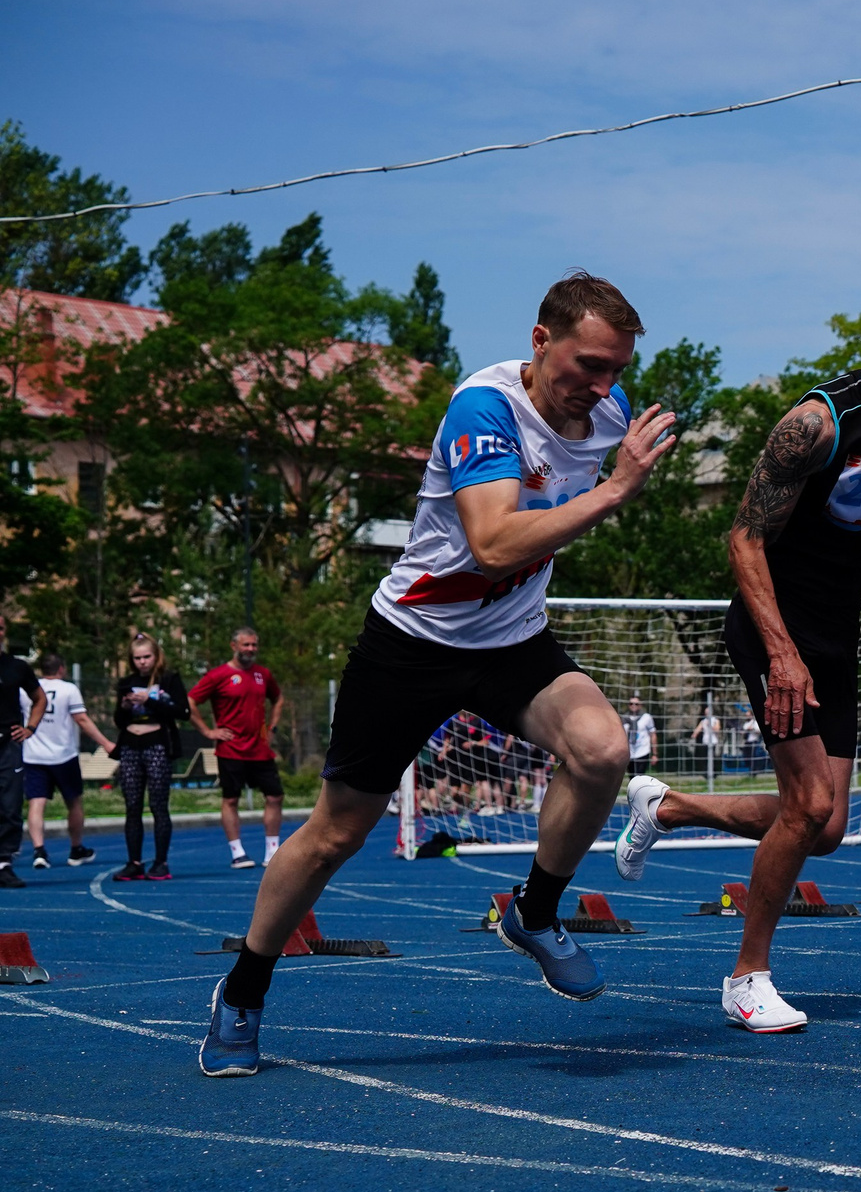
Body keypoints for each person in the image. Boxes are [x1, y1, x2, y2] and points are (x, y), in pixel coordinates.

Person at [199, 272, 681, 1076]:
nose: (603, 388)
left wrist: (609, 474)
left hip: (512, 640)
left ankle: (534, 911)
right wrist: (615, 490)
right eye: (589, 365)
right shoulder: (484, 408)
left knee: (602, 750)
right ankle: (243, 990)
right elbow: (491, 545)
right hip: (414, 644)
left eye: (617, 370)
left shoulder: (609, 413)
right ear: (540, 341)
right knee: (335, 835)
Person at [618, 304, 861, 1033]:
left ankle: (667, 808)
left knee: (827, 825)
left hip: (838, 635)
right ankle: (746, 978)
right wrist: (782, 654)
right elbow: (744, 538)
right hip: (771, 628)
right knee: (809, 804)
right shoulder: (818, 425)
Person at [190, 626, 287, 870]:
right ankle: (238, 852)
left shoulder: (263, 674)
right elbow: (190, 701)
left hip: (260, 749)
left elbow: (278, 698)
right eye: (246, 644)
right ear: (234, 646)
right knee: (231, 799)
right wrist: (208, 732)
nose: (251, 649)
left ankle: (272, 851)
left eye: (254, 645)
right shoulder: (218, 675)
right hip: (230, 750)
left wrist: (272, 729)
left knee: (275, 796)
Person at [23, 652, 110, 870]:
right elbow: (81, 719)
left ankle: (39, 850)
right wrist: (106, 743)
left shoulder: (26, 690)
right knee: (74, 802)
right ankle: (76, 848)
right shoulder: (68, 689)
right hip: (63, 755)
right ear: (61, 668)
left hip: (33, 754)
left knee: (36, 802)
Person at [110, 635, 187, 880]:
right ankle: (134, 861)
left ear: (156, 656)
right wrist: (124, 707)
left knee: (158, 804)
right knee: (132, 805)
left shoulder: (169, 679)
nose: (142, 662)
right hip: (131, 745)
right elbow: (119, 720)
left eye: (146, 657)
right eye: (137, 658)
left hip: (158, 745)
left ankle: (161, 861)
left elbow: (182, 711)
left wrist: (150, 701)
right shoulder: (127, 683)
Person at [0, 616, 43, 888]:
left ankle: (3, 863)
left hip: (8, 745)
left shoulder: (16, 667)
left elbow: (39, 699)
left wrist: (30, 728)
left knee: (9, 804)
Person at [622, 696, 655, 777]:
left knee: (640, 776)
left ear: (640, 705)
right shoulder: (624, 718)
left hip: (642, 751)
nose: (633, 705)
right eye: (631, 704)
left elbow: (653, 734)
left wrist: (655, 754)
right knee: (632, 777)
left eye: (636, 704)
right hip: (629, 752)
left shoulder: (646, 717)